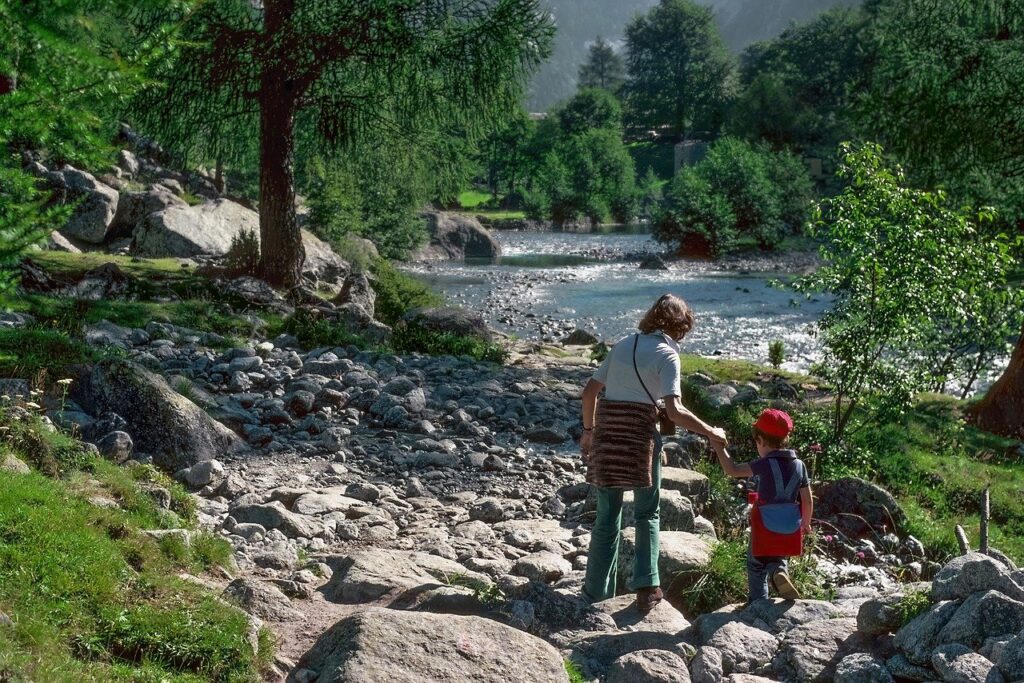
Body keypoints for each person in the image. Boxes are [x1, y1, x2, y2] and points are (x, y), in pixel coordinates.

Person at [580, 294, 728, 610]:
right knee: (648, 512)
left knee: (607, 515)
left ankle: (595, 593)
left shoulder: (622, 345)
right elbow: (674, 411)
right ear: (680, 327)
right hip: (639, 437)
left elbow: (590, 392)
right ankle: (647, 586)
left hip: (607, 435)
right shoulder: (667, 354)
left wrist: (589, 432)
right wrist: (711, 431)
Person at [711, 408, 813, 602]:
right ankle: (779, 571)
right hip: (790, 523)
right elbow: (807, 499)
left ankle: (758, 602)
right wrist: (805, 523)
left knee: (756, 564)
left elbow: (732, 470)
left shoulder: (764, 464)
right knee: (779, 556)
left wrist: (718, 447)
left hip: (764, 523)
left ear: (762, 441)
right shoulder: (800, 465)